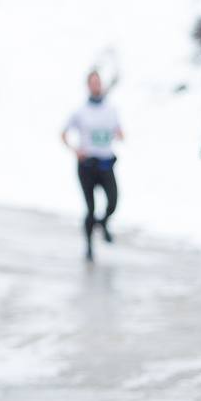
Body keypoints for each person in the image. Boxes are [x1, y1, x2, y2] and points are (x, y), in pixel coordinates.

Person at [62, 71, 123, 261]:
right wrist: (75, 150)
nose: (96, 86)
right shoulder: (80, 111)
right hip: (87, 165)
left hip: (106, 163)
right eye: (93, 83)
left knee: (113, 201)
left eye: (99, 82)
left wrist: (120, 135)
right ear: (88, 86)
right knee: (90, 207)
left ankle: (103, 222)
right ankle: (88, 246)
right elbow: (63, 133)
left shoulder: (111, 110)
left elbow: (119, 131)